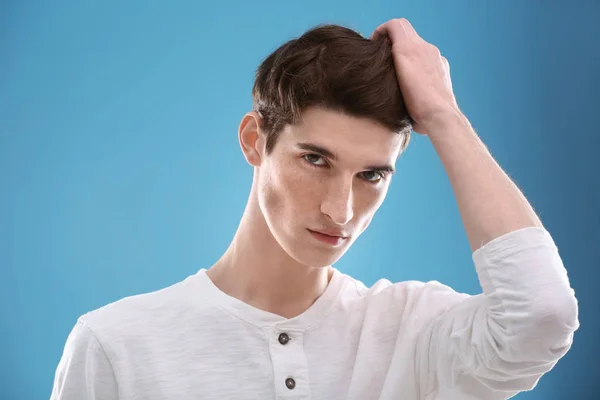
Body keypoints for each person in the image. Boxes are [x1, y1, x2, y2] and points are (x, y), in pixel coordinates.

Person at [50, 18, 579, 399]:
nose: (341, 210)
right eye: (316, 159)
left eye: (371, 174)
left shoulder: (415, 335)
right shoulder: (117, 344)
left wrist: (442, 115)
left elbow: (543, 317)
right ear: (255, 139)